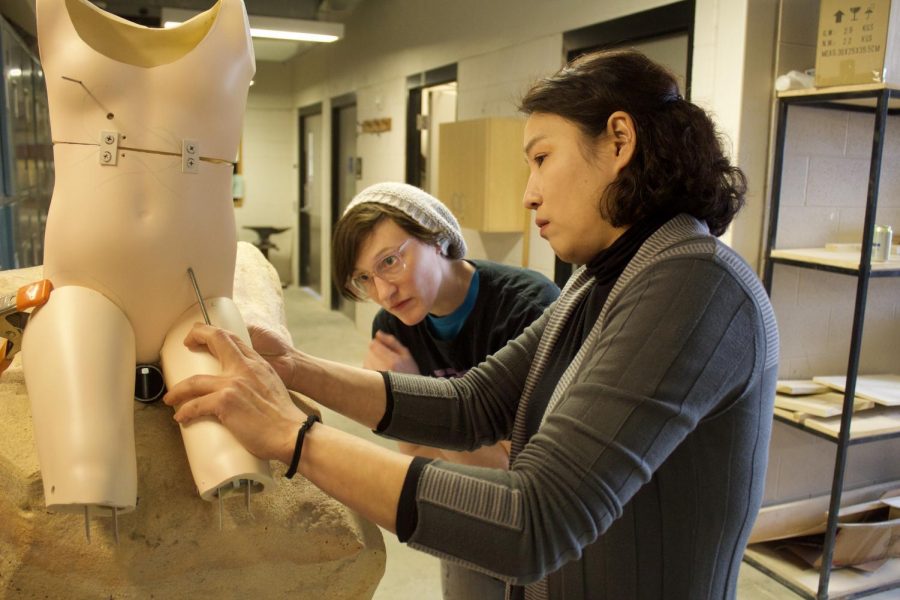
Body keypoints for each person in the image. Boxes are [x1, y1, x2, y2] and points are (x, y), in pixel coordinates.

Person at [165, 48, 779, 600]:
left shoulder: (694, 285)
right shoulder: (604, 280)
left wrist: (293, 436)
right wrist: (293, 369)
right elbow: (470, 403)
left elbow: (534, 520)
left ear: (619, 141)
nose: (529, 193)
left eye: (542, 158)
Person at [24, 0, 271, 522]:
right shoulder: (50, 11)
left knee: (239, 470)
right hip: (83, 292)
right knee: (84, 476)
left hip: (201, 300)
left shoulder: (235, 22)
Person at [332, 182, 559, 599]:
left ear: (436, 238)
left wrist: (416, 393)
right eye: (365, 278)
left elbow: (511, 478)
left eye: (390, 262)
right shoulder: (392, 327)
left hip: (544, 530)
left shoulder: (529, 310)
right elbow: (415, 455)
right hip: (460, 517)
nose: (384, 292)